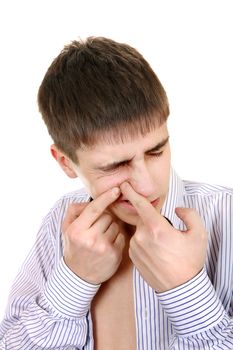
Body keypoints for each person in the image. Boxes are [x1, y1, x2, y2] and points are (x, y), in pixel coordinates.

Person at [0, 36, 232, 350]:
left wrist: (186, 289)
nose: (147, 186)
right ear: (66, 163)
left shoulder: (225, 215)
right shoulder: (59, 225)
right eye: (115, 166)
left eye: (156, 151)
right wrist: (73, 279)